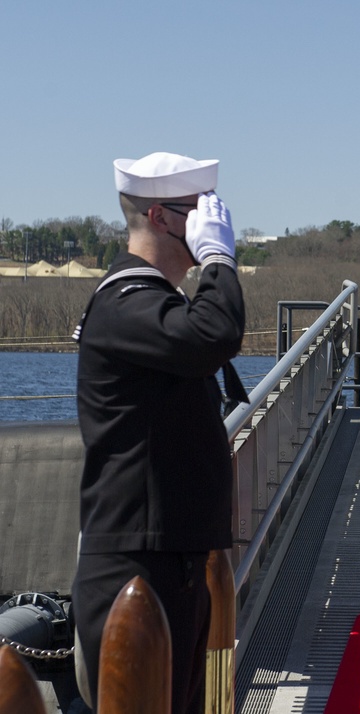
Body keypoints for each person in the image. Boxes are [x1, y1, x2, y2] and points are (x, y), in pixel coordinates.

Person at [72, 152, 246, 713]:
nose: (209, 222)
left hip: (175, 558)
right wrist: (219, 258)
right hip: (136, 570)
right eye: (198, 211)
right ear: (162, 217)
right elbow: (212, 335)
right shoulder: (126, 302)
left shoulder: (156, 303)